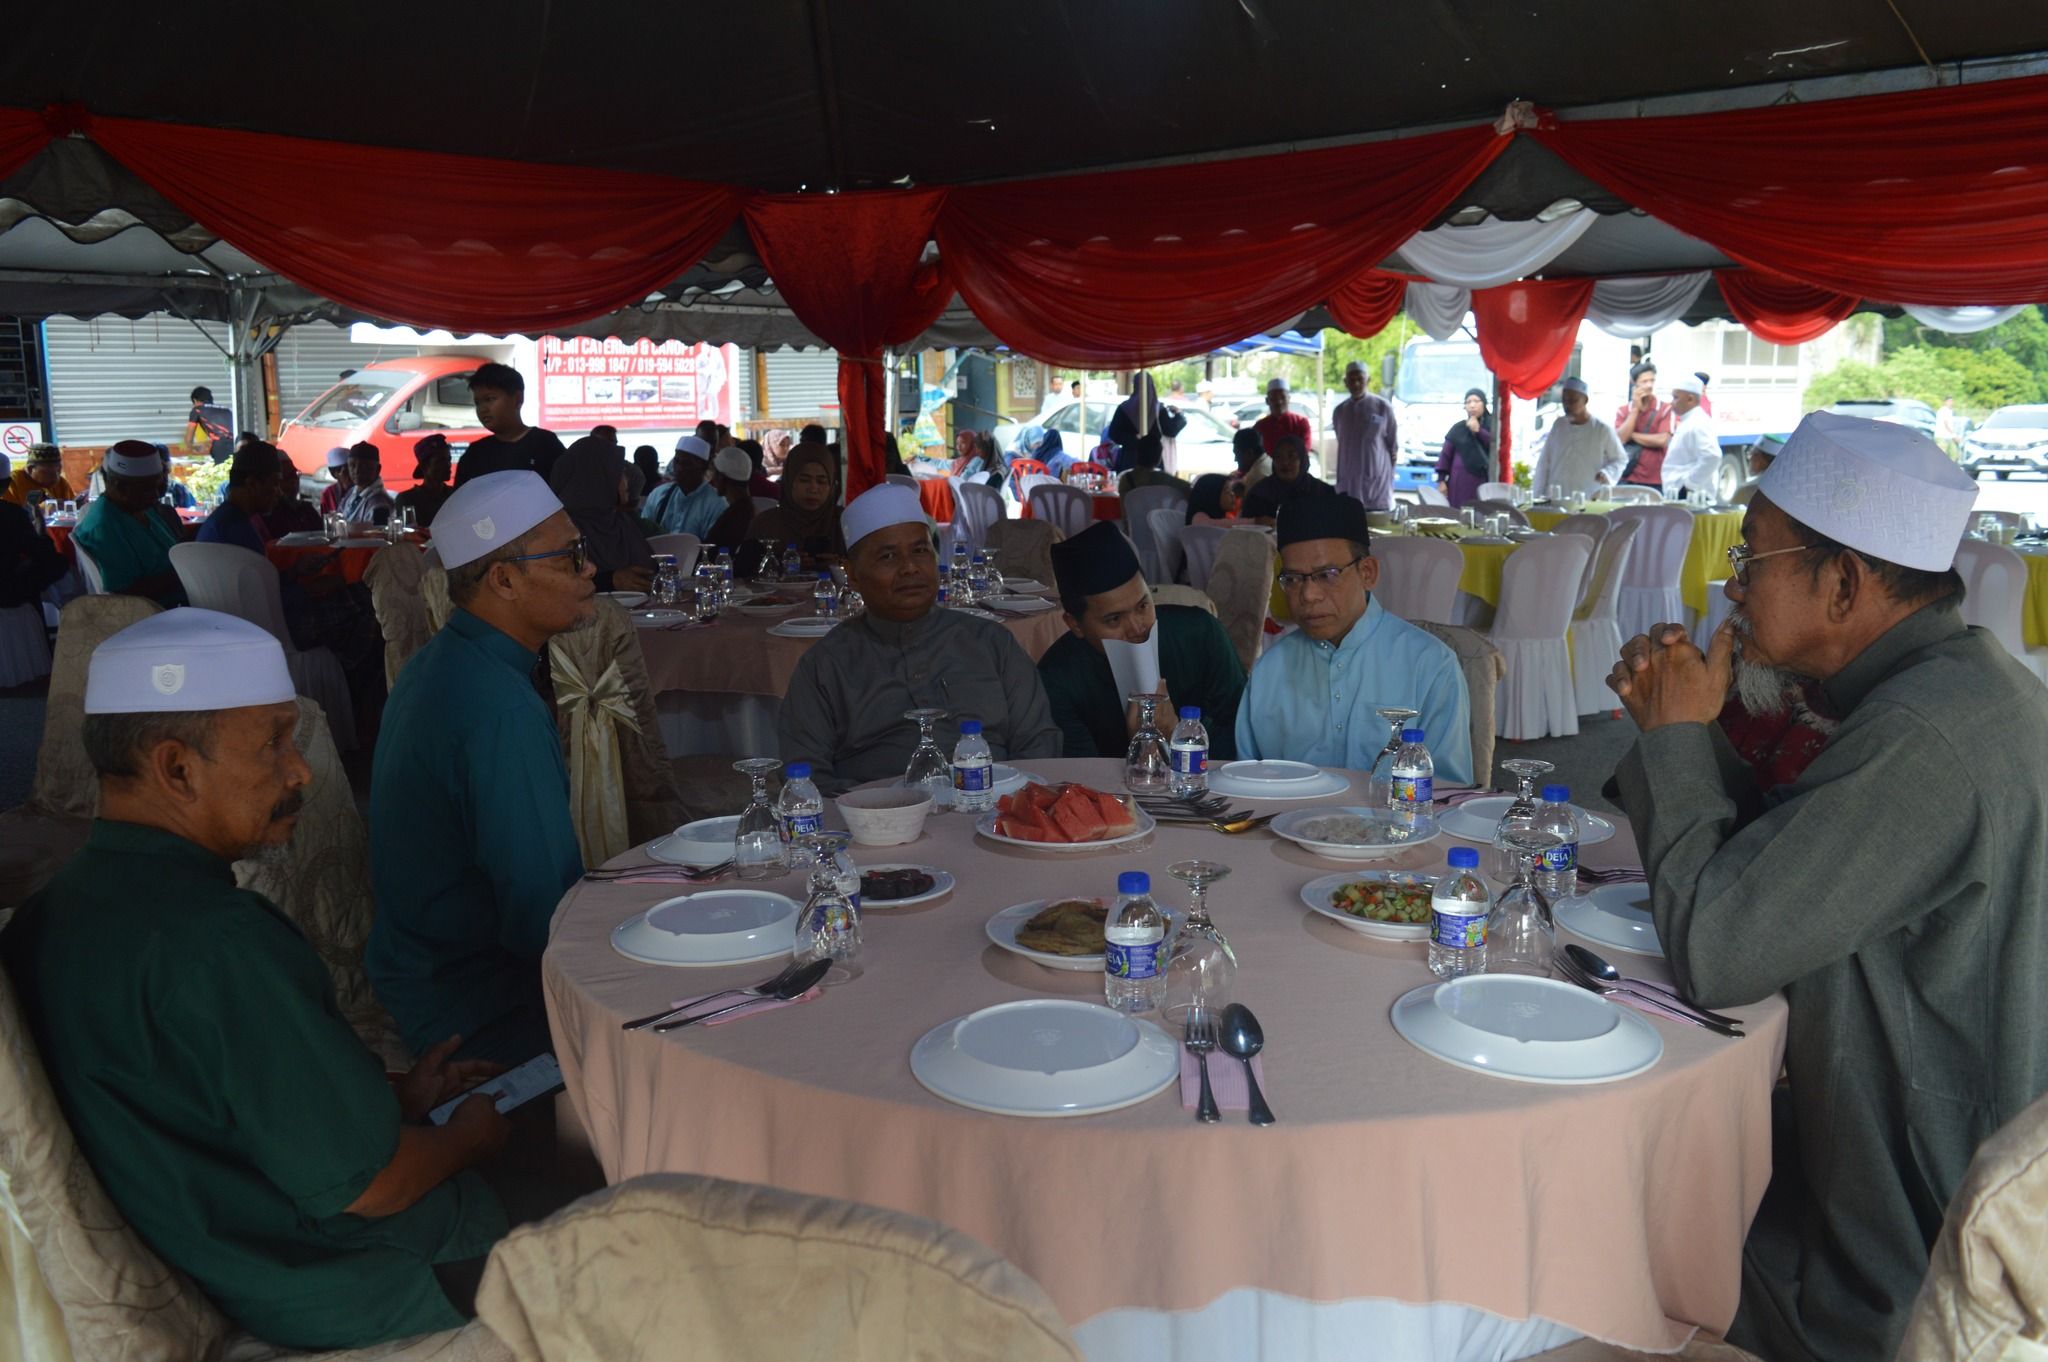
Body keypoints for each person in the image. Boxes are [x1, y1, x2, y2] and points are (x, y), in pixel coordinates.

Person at [1604, 412, 2048, 1362]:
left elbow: (1717, 948)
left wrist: (1675, 742)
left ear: (1843, 583)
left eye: (1752, 559)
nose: (1732, 587)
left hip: (1886, 1259)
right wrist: (1694, 729)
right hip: (1906, 1160)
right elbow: (1792, 861)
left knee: (1575, 1209)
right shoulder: (1965, 689)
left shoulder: (1921, 740)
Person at [0, 609, 513, 1350]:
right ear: (177, 768)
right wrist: (469, 1139)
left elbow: (202, 1100)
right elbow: (372, 1186)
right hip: (363, 1276)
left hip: (235, 1256)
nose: (301, 769)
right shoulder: (216, 942)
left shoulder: (49, 915)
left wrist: (395, 1101)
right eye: (274, 742)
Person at [367, 472, 590, 1066]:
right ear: (504, 579)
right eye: (570, 557)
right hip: (481, 1009)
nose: (589, 570)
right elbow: (543, 916)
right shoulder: (499, 707)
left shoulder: (440, 662)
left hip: (421, 973)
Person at [779, 484, 1060, 794]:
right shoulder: (825, 665)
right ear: (853, 575)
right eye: (888, 556)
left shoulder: (992, 643)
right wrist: (882, 807)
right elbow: (804, 778)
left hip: (996, 808)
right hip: (877, 815)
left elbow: (1039, 744)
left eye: (920, 551)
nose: (910, 568)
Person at [1236, 494, 1472, 784]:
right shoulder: (1269, 671)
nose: (1308, 595)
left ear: (1367, 573)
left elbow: (1449, 791)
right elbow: (1246, 783)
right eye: (1294, 579)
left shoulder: (1431, 665)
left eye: (1327, 575)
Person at [1039, 521, 1244, 760]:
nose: (1137, 628)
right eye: (1114, 619)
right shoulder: (1057, 678)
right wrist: (1142, 751)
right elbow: (1078, 774)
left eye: (1143, 606)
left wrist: (1178, 738)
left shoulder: (1200, 634)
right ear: (1075, 624)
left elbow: (1243, 735)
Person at [72, 440, 184, 605]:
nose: (155, 495)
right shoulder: (104, 527)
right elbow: (126, 596)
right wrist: (184, 573)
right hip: (155, 612)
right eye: (147, 488)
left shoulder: (142, 508)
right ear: (118, 486)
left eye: (158, 487)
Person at [548, 435, 654, 593]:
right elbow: (558, 585)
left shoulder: (618, 521)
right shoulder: (562, 530)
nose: (625, 480)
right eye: (618, 472)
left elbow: (651, 570)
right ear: (596, 476)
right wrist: (610, 581)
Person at [451, 363, 566, 487]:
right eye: (477, 402)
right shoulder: (475, 454)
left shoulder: (545, 444)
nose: (483, 409)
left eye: (489, 399)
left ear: (518, 399)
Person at [748, 440, 845, 568]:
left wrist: (841, 566)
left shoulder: (845, 523)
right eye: (804, 480)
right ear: (789, 481)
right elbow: (744, 571)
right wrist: (781, 565)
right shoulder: (765, 525)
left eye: (821, 481)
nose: (813, 489)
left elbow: (864, 568)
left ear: (831, 485)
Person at [1530, 377, 1627, 499]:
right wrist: (1537, 494)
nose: (1568, 405)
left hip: (1589, 496)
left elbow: (1620, 459)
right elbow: (1544, 462)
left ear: (1585, 400)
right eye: (1564, 400)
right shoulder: (1559, 425)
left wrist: (1607, 473)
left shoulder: (1602, 429)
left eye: (1573, 400)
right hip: (1557, 496)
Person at [1330, 360, 1399, 510]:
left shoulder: (1383, 407)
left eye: (1360, 379)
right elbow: (1341, 440)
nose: (1356, 384)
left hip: (1376, 479)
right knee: (1349, 516)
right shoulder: (1340, 411)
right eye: (1351, 380)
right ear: (1345, 382)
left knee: (1377, 518)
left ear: (1368, 380)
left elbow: (1393, 446)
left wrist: (1384, 471)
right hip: (1349, 479)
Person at [0, 453, 66, 609]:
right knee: (57, 563)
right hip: (7, 599)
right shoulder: (11, 514)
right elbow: (46, 556)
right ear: (7, 484)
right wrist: (41, 530)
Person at [1104, 374, 1187, 474]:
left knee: (1130, 484)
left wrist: (1133, 439)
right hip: (1154, 461)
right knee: (1152, 483)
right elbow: (1171, 431)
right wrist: (1178, 415)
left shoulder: (1124, 408)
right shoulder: (1159, 409)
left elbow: (1114, 433)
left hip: (1129, 461)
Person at [644, 435, 724, 538]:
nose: (679, 468)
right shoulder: (658, 495)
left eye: (687, 463)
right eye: (677, 461)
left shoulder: (716, 504)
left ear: (704, 466)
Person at [1240, 434, 1331, 524]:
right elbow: (1244, 529)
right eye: (1278, 457)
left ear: (1302, 460)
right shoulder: (1259, 494)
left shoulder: (1321, 492)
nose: (1285, 462)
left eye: (1291, 456)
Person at [1659, 374, 1720, 501]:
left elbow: (1712, 456)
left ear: (1690, 399)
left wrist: (1689, 485)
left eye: (1675, 397)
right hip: (1681, 493)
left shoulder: (1698, 423)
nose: (1672, 402)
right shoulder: (1689, 421)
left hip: (1690, 496)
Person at [1432, 388, 1495, 509]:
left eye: (1476, 401)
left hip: (1482, 482)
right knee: (1459, 512)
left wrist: (1479, 431)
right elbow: (1445, 456)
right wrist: (1441, 480)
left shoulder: (1492, 425)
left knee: (1480, 512)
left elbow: (1495, 448)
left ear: (1484, 403)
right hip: (1459, 482)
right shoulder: (1458, 429)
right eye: (1468, 402)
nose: (1472, 405)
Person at [1615, 360, 1673, 490]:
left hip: (1655, 479)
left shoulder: (1664, 408)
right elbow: (1621, 438)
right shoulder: (1623, 410)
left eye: (1652, 381)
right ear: (1634, 383)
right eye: (1644, 381)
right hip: (1627, 477)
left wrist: (1632, 435)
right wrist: (1635, 409)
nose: (1649, 385)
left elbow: (1662, 440)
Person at [703, 444, 759, 552]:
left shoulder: (735, 518)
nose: (713, 479)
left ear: (721, 477)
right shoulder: (748, 510)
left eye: (715, 473)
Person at [394, 434, 456, 528]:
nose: (448, 465)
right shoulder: (407, 500)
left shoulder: (454, 495)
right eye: (440, 461)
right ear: (424, 467)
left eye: (449, 460)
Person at [1115, 431, 1191, 498]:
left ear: (1137, 454)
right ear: (1159, 458)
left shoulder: (1125, 480)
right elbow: (1188, 488)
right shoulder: (1164, 479)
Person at [5, 443, 77, 514]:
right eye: (48, 473)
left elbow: (72, 511)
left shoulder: (61, 483)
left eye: (58, 470)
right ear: (30, 469)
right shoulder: (13, 482)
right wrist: (40, 510)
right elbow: (7, 515)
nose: (55, 477)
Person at [1253, 377, 1313, 459]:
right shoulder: (1260, 426)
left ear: (1289, 399)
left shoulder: (1301, 422)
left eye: (1283, 397)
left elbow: (1304, 450)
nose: (1279, 402)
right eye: (1274, 398)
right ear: (1267, 401)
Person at [337, 441, 395, 527]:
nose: (356, 471)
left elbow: (379, 534)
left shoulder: (380, 504)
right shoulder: (352, 492)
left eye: (363, 466)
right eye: (352, 465)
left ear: (378, 469)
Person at [263, 461, 324, 537]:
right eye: (287, 477)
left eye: (295, 475)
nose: (294, 482)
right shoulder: (272, 514)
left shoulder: (307, 509)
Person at [1231, 427, 1271, 498]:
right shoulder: (1268, 460)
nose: (1235, 459)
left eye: (1237, 454)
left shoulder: (1256, 476)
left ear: (1249, 453)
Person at [318, 444, 352, 515]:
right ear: (333, 474)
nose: (350, 474)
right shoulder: (328, 493)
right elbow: (325, 517)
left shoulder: (361, 491)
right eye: (345, 471)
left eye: (350, 468)